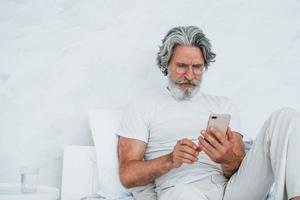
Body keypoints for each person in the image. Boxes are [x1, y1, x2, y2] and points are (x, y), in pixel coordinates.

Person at [117, 25, 300, 200]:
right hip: (180, 190)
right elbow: (127, 175)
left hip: (231, 191)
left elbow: (238, 167)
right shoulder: (142, 108)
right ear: (166, 64)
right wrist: (170, 159)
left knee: (286, 117)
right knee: (184, 195)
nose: (190, 75)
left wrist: (227, 159)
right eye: (182, 66)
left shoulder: (223, 105)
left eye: (197, 67)